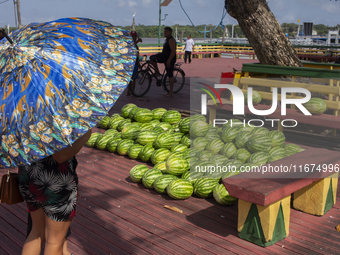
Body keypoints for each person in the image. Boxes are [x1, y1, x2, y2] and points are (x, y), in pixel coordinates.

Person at [18, 129, 92, 255]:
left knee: (36, 233)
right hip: (55, 181)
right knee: (54, 242)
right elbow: (60, 156)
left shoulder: (24, 111)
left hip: (28, 174)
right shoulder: (53, 115)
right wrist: (84, 137)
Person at [150, 27, 177, 97]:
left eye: (166, 31)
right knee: (152, 58)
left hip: (170, 58)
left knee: (170, 74)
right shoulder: (166, 40)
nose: (165, 33)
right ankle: (157, 72)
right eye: (164, 31)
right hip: (164, 56)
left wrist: (169, 60)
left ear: (170, 32)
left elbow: (173, 51)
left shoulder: (171, 40)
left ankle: (171, 91)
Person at [126, 30, 143, 96]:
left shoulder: (136, 45)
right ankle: (129, 92)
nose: (134, 37)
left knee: (133, 79)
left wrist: (138, 63)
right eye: (133, 36)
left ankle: (131, 92)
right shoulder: (130, 44)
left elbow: (137, 54)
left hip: (135, 63)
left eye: (135, 36)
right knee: (131, 79)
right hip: (130, 63)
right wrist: (138, 41)